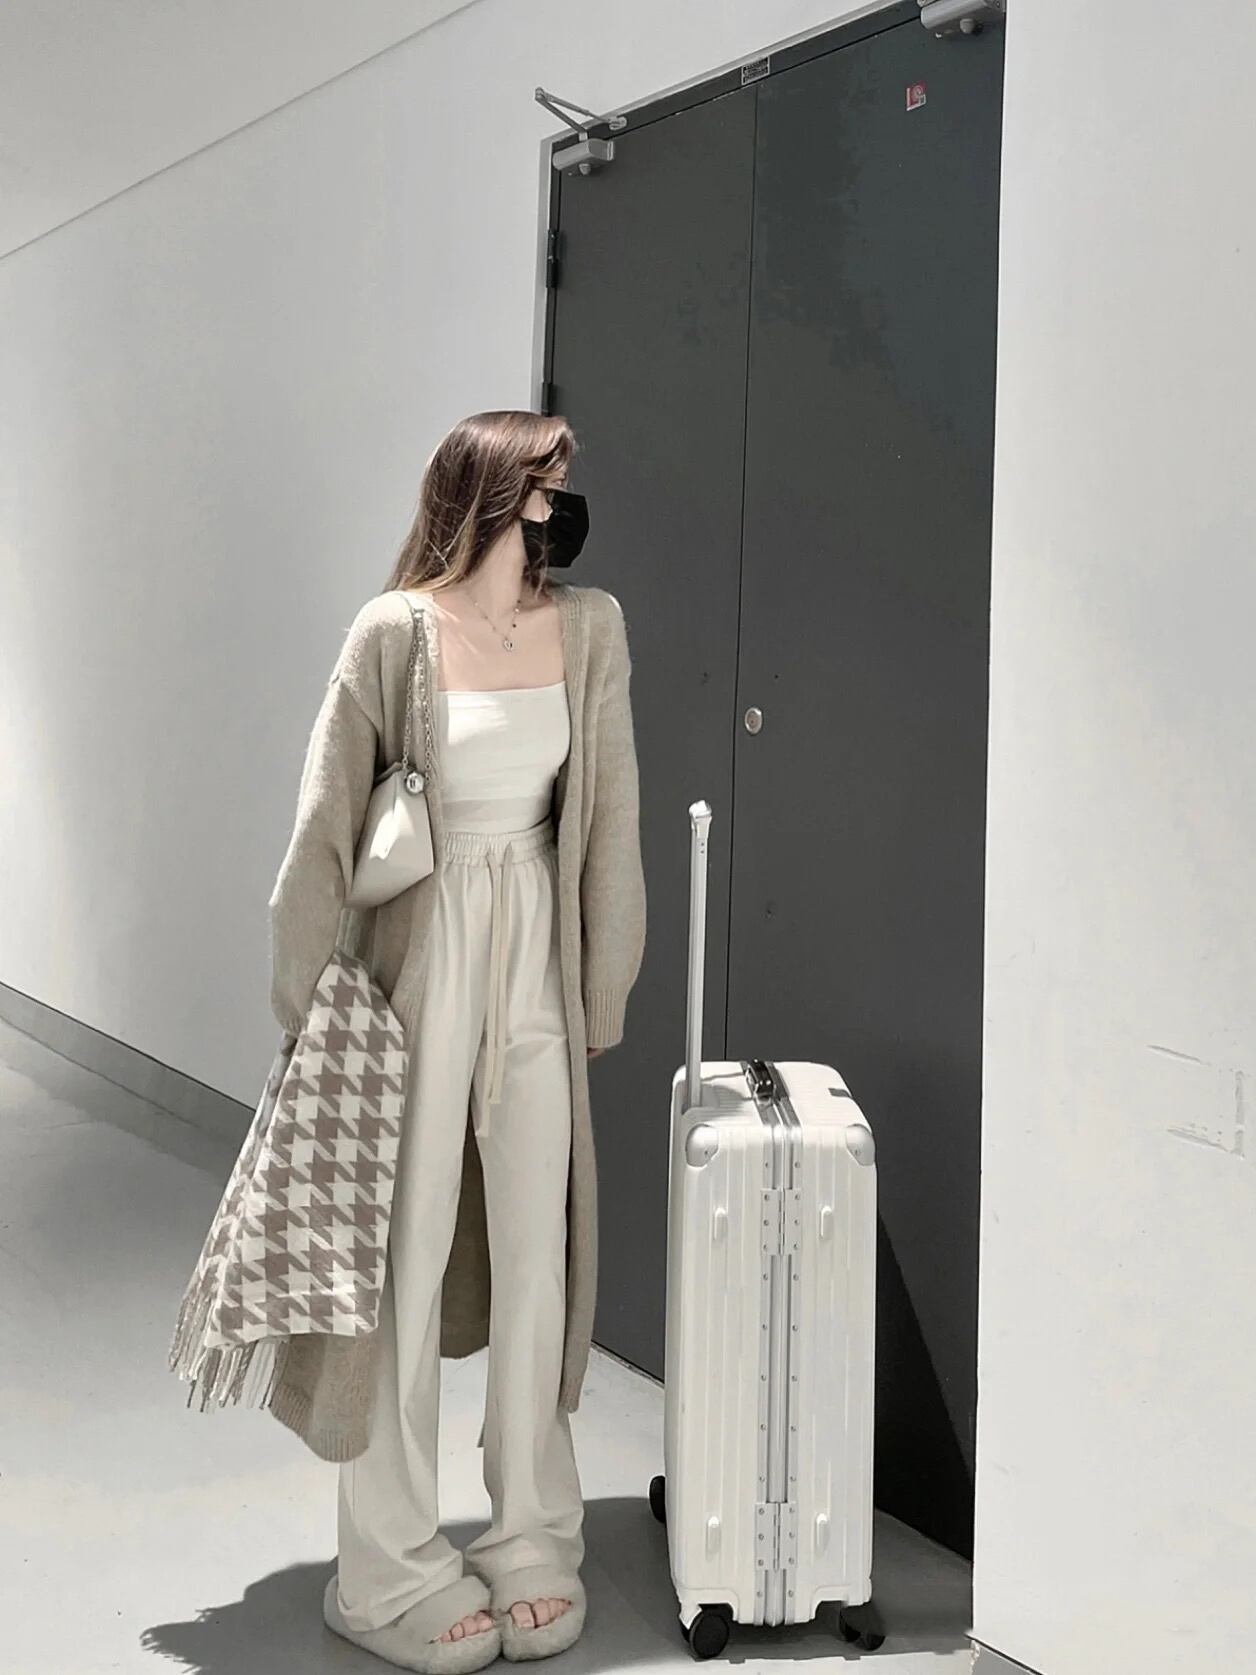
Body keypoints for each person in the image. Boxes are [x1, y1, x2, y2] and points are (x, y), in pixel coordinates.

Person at [266, 409, 647, 1672]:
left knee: (538, 1252)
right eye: (545, 489)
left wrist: (602, 985)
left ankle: (533, 1537)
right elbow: (326, 820)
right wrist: (305, 1006)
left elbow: (609, 813)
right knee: (404, 1254)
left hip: (534, 942)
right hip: (419, 962)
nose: (561, 512)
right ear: (489, 496)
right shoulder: (396, 632)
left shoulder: (587, 627)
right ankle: (385, 1567)